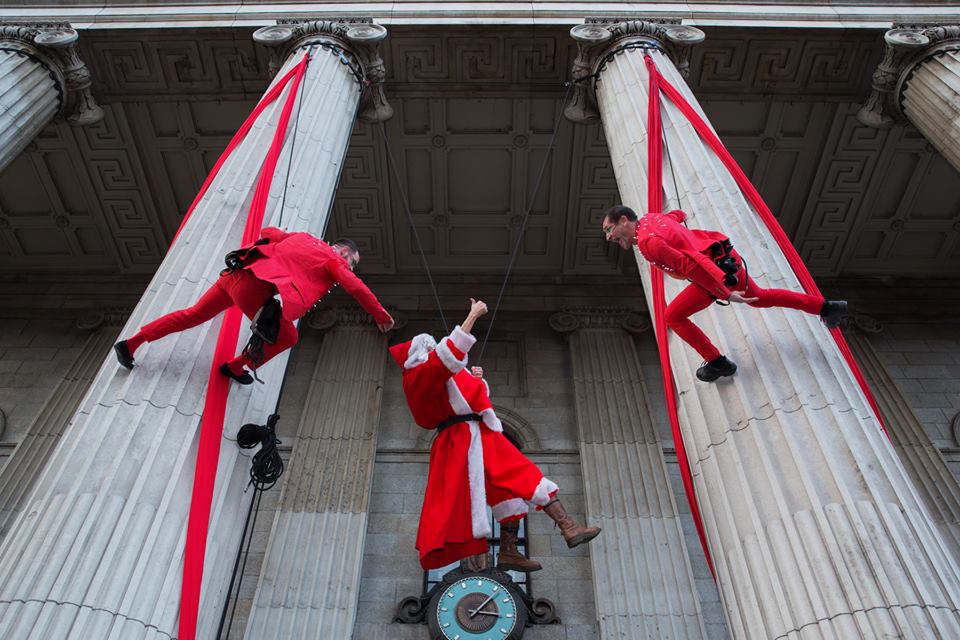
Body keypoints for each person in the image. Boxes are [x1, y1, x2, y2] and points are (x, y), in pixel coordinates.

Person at [390, 299, 600, 572]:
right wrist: (472, 316)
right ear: (418, 353)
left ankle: (510, 552)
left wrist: (475, 380)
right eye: (429, 347)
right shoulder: (420, 373)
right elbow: (447, 356)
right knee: (522, 473)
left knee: (506, 489)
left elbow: (463, 392)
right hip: (468, 438)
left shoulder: (431, 374)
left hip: (470, 435)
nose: (433, 349)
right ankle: (568, 526)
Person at [114, 227, 394, 384]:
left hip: (236, 274)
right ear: (339, 250)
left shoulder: (304, 237)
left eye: (351, 264)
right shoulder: (333, 262)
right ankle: (237, 366)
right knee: (288, 336)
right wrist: (380, 315)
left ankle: (131, 343)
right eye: (349, 259)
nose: (348, 264)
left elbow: (268, 232)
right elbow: (356, 288)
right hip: (253, 288)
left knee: (193, 315)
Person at [602, 205, 847, 382]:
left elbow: (691, 267)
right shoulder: (651, 220)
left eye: (609, 229)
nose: (609, 237)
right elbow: (673, 217)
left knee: (673, 317)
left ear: (624, 220)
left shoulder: (648, 243)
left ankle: (718, 363)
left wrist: (724, 292)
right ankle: (828, 307)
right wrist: (681, 215)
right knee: (762, 297)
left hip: (715, 273)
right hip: (726, 258)